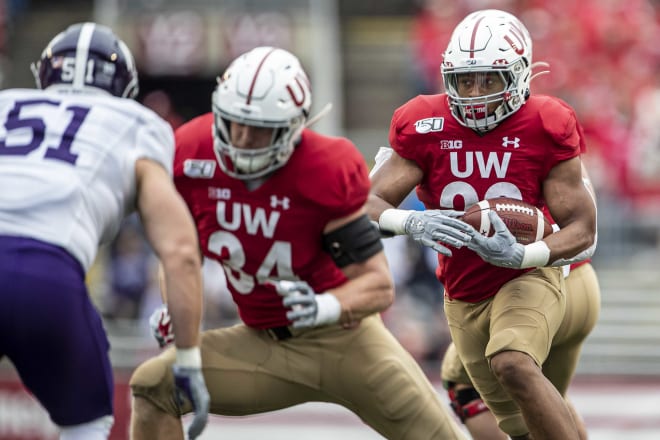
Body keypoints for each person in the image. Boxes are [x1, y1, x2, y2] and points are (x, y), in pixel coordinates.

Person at [129, 46, 467, 440]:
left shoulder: (324, 168)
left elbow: (378, 285)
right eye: (235, 123)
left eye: (259, 130)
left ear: (293, 128)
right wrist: (178, 311)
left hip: (347, 340)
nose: (241, 139)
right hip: (262, 344)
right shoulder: (191, 153)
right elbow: (181, 254)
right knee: (153, 385)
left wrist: (322, 305)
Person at [367, 9, 597, 440]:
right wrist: (411, 224)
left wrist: (526, 253)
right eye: (464, 80)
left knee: (512, 364)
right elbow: (362, 203)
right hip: (469, 292)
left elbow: (584, 232)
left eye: (490, 80)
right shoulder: (424, 122)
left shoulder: (546, 122)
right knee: (530, 414)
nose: (474, 93)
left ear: (521, 76)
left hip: (547, 276)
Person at [0, 23, 209, 440]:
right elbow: (181, 251)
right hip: (44, 274)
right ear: (124, 87)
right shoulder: (136, 123)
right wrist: (187, 360)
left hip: (41, 266)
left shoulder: (6, 103)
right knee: (88, 423)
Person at [439, 162, 601, 440]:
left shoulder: (542, 123)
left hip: (536, 285)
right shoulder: (550, 124)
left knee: (475, 384)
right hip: (581, 281)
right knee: (545, 395)